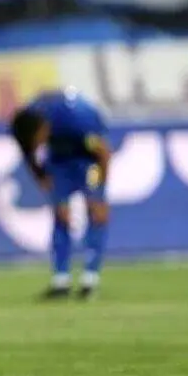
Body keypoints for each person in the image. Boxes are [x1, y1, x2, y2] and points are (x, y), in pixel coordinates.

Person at [9, 88, 113, 301]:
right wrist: (42, 177)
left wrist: (100, 192)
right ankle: (61, 280)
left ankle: (90, 278)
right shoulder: (26, 123)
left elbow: (102, 153)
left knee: (96, 214)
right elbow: (29, 152)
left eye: (39, 141)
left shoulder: (76, 119)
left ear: (43, 128)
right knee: (61, 215)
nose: (38, 145)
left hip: (88, 161)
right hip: (59, 162)